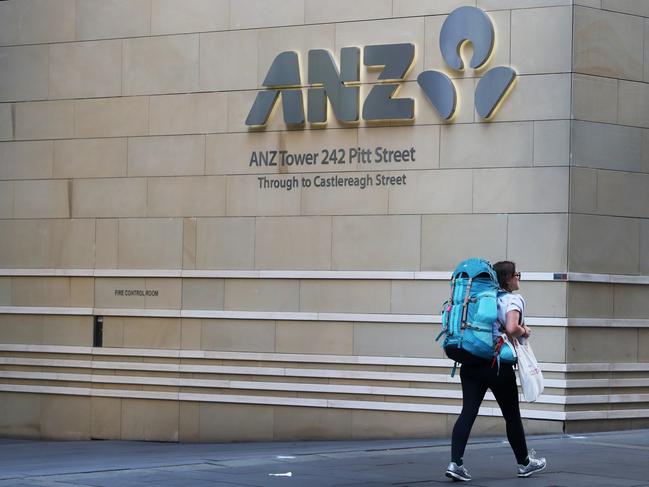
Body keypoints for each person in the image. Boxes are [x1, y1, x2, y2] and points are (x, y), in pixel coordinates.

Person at [445, 261, 547, 481]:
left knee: (468, 412)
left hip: (471, 362)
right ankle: (524, 463)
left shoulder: (482, 296)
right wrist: (525, 330)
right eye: (516, 274)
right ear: (508, 278)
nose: (518, 277)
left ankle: (455, 463)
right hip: (496, 365)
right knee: (511, 415)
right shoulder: (512, 299)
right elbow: (511, 328)